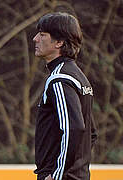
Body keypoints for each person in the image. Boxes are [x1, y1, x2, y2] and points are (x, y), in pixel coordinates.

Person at [33, 12, 97, 180]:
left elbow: (74, 128)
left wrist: (58, 174)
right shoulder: (79, 77)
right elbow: (91, 133)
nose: (35, 39)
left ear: (59, 42)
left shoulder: (59, 79)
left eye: (42, 35)